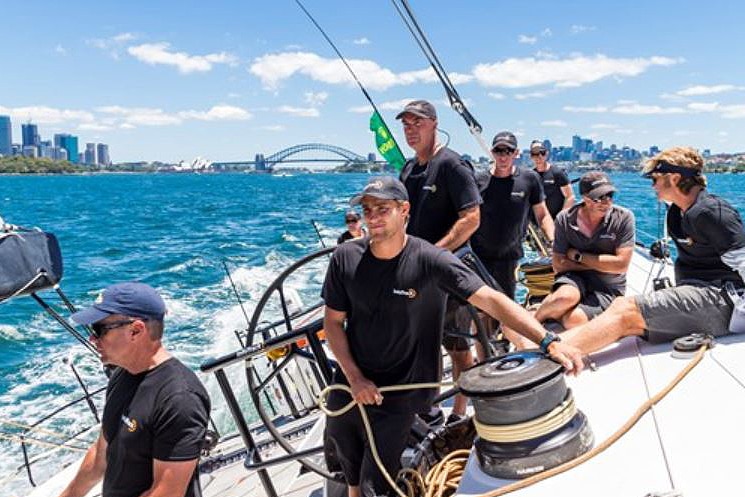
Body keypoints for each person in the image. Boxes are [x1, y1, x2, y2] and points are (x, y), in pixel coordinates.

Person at [322, 176, 584, 497]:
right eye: (366, 210)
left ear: (404, 210)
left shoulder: (430, 260)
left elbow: (490, 298)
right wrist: (355, 378)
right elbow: (333, 322)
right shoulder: (344, 257)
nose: (372, 217)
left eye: (382, 209)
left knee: (374, 484)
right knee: (348, 471)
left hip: (401, 390)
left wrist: (548, 340)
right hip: (347, 384)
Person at [561, 147, 745, 354]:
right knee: (625, 317)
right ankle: (548, 349)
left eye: (655, 179)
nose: (653, 186)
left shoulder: (713, 213)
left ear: (674, 178)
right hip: (699, 295)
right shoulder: (677, 213)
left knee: (625, 310)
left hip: (724, 303)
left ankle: (548, 358)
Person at [58, 282, 210, 497]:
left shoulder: (179, 398)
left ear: (135, 330)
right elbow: (102, 453)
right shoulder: (122, 374)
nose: (92, 339)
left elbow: (166, 493)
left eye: (100, 329)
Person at [396, 100, 482, 419]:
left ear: (434, 123)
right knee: (419, 345)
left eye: (417, 123)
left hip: (446, 272)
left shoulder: (452, 165)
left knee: (457, 347)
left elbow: (471, 218)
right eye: (405, 124)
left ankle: (460, 413)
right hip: (415, 275)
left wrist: (435, 255)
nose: (410, 130)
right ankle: (426, 411)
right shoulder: (408, 169)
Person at [529, 172, 635, 335]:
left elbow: (621, 265)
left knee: (574, 320)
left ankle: (554, 313)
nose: (606, 202)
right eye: (599, 197)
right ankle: (532, 325)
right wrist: (603, 264)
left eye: (610, 195)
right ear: (585, 197)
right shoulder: (565, 219)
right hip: (573, 278)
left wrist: (578, 256)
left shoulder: (623, 218)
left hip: (607, 286)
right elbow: (558, 264)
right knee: (564, 298)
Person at [470, 131, 555, 300]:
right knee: (478, 307)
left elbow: (542, 214)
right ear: (492, 152)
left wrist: (553, 241)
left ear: (516, 153)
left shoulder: (529, 179)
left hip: (508, 257)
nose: (503, 156)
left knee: (505, 306)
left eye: (508, 151)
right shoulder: (478, 180)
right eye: (498, 151)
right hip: (478, 256)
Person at [529, 140, 575, 220]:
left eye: (542, 153)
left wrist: (561, 218)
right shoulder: (531, 175)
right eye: (535, 154)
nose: (539, 156)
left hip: (555, 221)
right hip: (536, 222)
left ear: (546, 154)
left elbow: (570, 197)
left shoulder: (557, 173)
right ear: (531, 156)